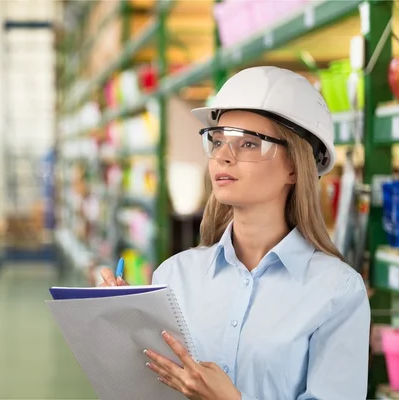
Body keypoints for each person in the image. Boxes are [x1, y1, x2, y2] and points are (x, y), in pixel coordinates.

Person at [100, 66, 370, 400]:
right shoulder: (174, 275)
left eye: (248, 144)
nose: (223, 157)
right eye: (217, 141)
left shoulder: (337, 292)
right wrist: (125, 334)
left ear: (294, 166)